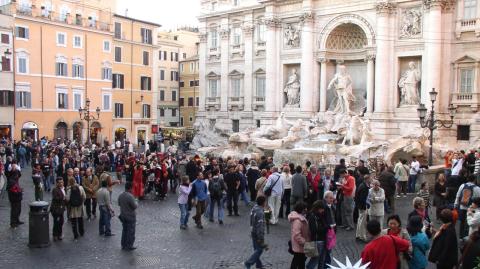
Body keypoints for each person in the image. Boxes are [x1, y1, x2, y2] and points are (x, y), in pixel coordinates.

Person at [244, 196, 268, 269]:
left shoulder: (254, 208)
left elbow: (252, 220)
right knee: (259, 250)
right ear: (263, 203)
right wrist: (260, 237)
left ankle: (259, 265)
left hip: (253, 231)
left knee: (256, 249)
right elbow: (260, 226)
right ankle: (248, 262)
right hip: (258, 233)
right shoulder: (260, 212)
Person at [455, 174, 480, 239]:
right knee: (470, 222)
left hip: (462, 207)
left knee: (462, 222)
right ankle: (467, 237)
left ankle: (461, 237)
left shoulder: (462, 185)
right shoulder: (477, 188)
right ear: (474, 180)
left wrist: (456, 204)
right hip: (472, 208)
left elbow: (458, 195)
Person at [306, 200, 328, 269]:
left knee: (322, 260)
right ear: (318, 208)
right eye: (322, 209)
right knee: (315, 260)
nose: (323, 210)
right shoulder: (312, 217)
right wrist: (325, 228)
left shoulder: (321, 216)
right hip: (317, 241)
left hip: (323, 240)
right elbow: (314, 230)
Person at [288, 202, 310, 269]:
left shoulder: (299, 218)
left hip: (300, 245)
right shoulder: (298, 221)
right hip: (300, 245)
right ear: (301, 209)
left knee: (300, 261)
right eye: (305, 208)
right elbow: (296, 234)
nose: (306, 210)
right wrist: (304, 242)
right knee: (297, 261)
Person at [118, 182, 138, 251]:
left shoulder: (121, 195)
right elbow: (135, 206)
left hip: (123, 215)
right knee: (131, 231)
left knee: (124, 230)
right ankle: (129, 245)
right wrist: (136, 200)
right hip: (130, 216)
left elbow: (119, 204)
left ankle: (123, 244)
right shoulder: (130, 196)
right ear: (130, 188)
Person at [355, 175, 370, 242]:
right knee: (362, 221)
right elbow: (363, 198)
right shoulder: (364, 187)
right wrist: (366, 205)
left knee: (360, 220)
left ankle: (358, 235)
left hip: (360, 205)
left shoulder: (362, 185)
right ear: (367, 179)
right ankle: (362, 236)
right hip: (362, 206)